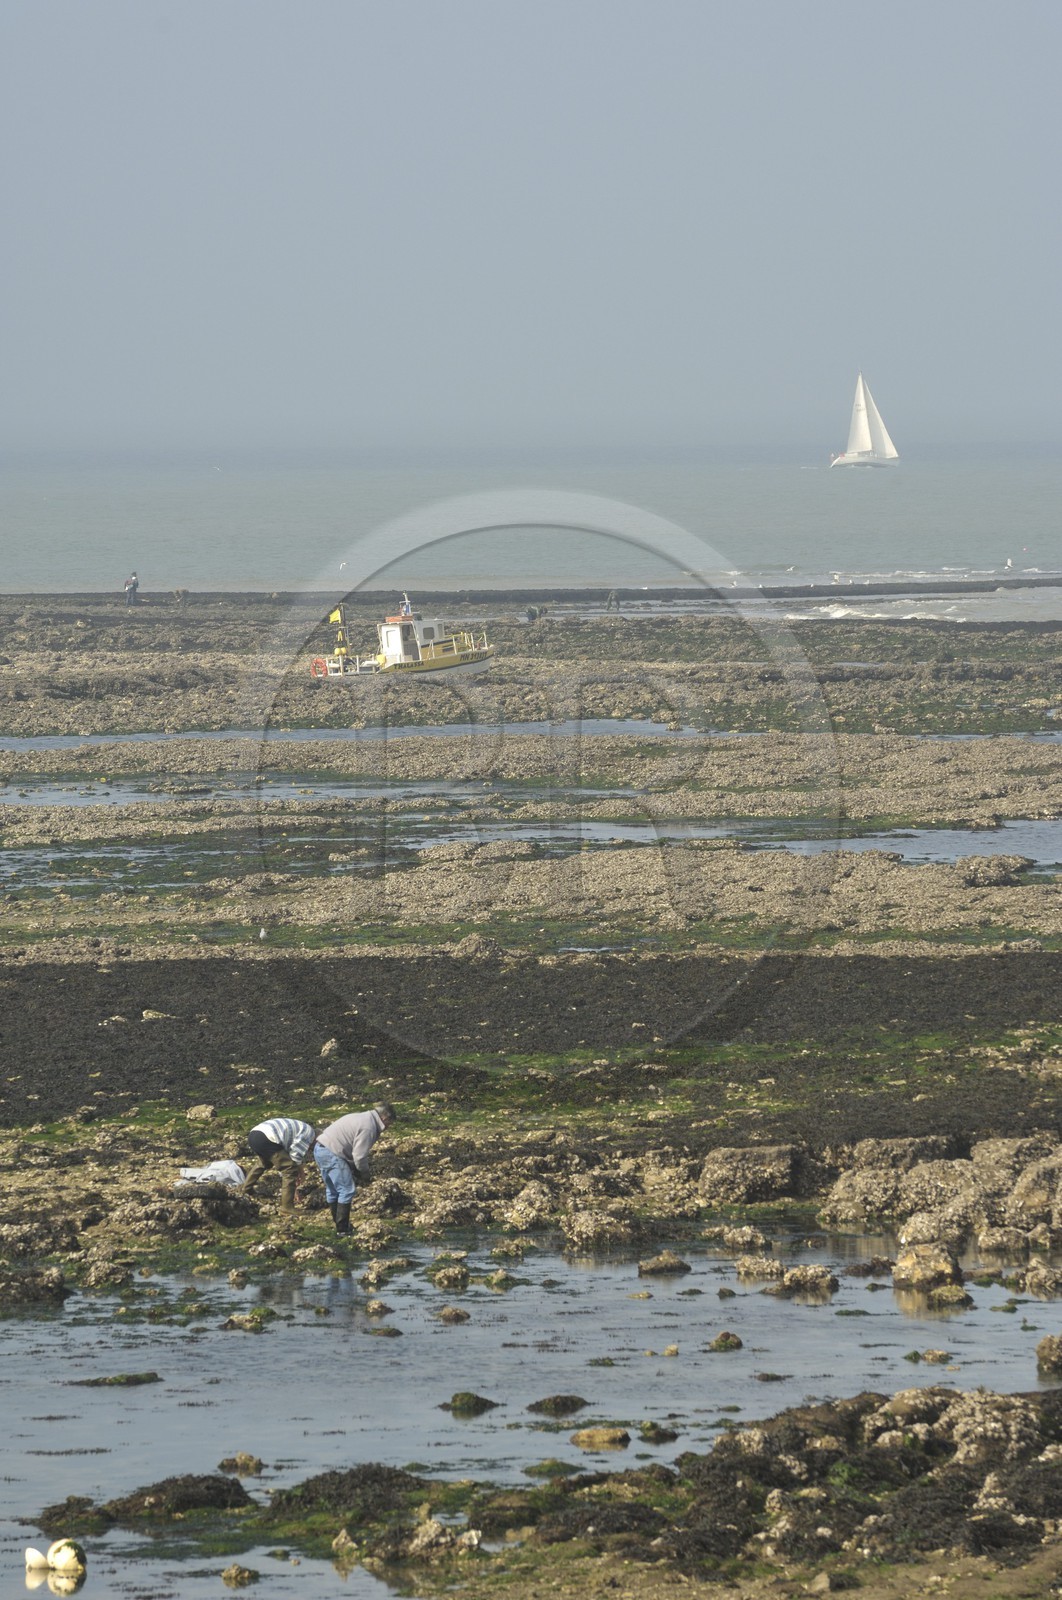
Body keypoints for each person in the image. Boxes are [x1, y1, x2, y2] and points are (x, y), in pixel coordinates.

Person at [313, 1102, 395, 1236]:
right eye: (389, 1124)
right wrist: (364, 1173)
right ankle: (343, 1230)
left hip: (320, 1149)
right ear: (385, 1117)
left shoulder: (362, 1117)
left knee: (333, 1190)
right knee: (346, 1190)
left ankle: (339, 1225)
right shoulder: (369, 1126)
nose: (388, 1127)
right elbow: (359, 1156)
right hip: (333, 1153)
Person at [240, 1115, 317, 1214]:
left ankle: (246, 1189)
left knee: (264, 1162)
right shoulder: (309, 1134)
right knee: (289, 1169)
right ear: (316, 1139)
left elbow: (287, 1156)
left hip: (254, 1135)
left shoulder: (303, 1127)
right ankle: (287, 1207)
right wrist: (300, 1174)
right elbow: (295, 1157)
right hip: (268, 1138)